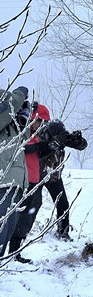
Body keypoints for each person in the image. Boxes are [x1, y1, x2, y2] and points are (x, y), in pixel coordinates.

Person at [8, 104, 87, 258]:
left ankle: (63, 233)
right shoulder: (30, 133)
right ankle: (15, 247)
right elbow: (32, 152)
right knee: (32, 208)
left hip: (52, 176)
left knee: (62, 203)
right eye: (40, 122)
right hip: (36, 177)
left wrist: (77, 140)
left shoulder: (56, 133)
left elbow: (80, 146)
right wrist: (50, 146)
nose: (42, 126)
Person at [0, 86, 30, 258]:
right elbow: (13, 102)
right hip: (3, 182)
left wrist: (23, 117)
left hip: (15, 184)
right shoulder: (4, 116)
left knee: (7, 232)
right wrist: (21, 93)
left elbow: (25, 139)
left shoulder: (10, 124)